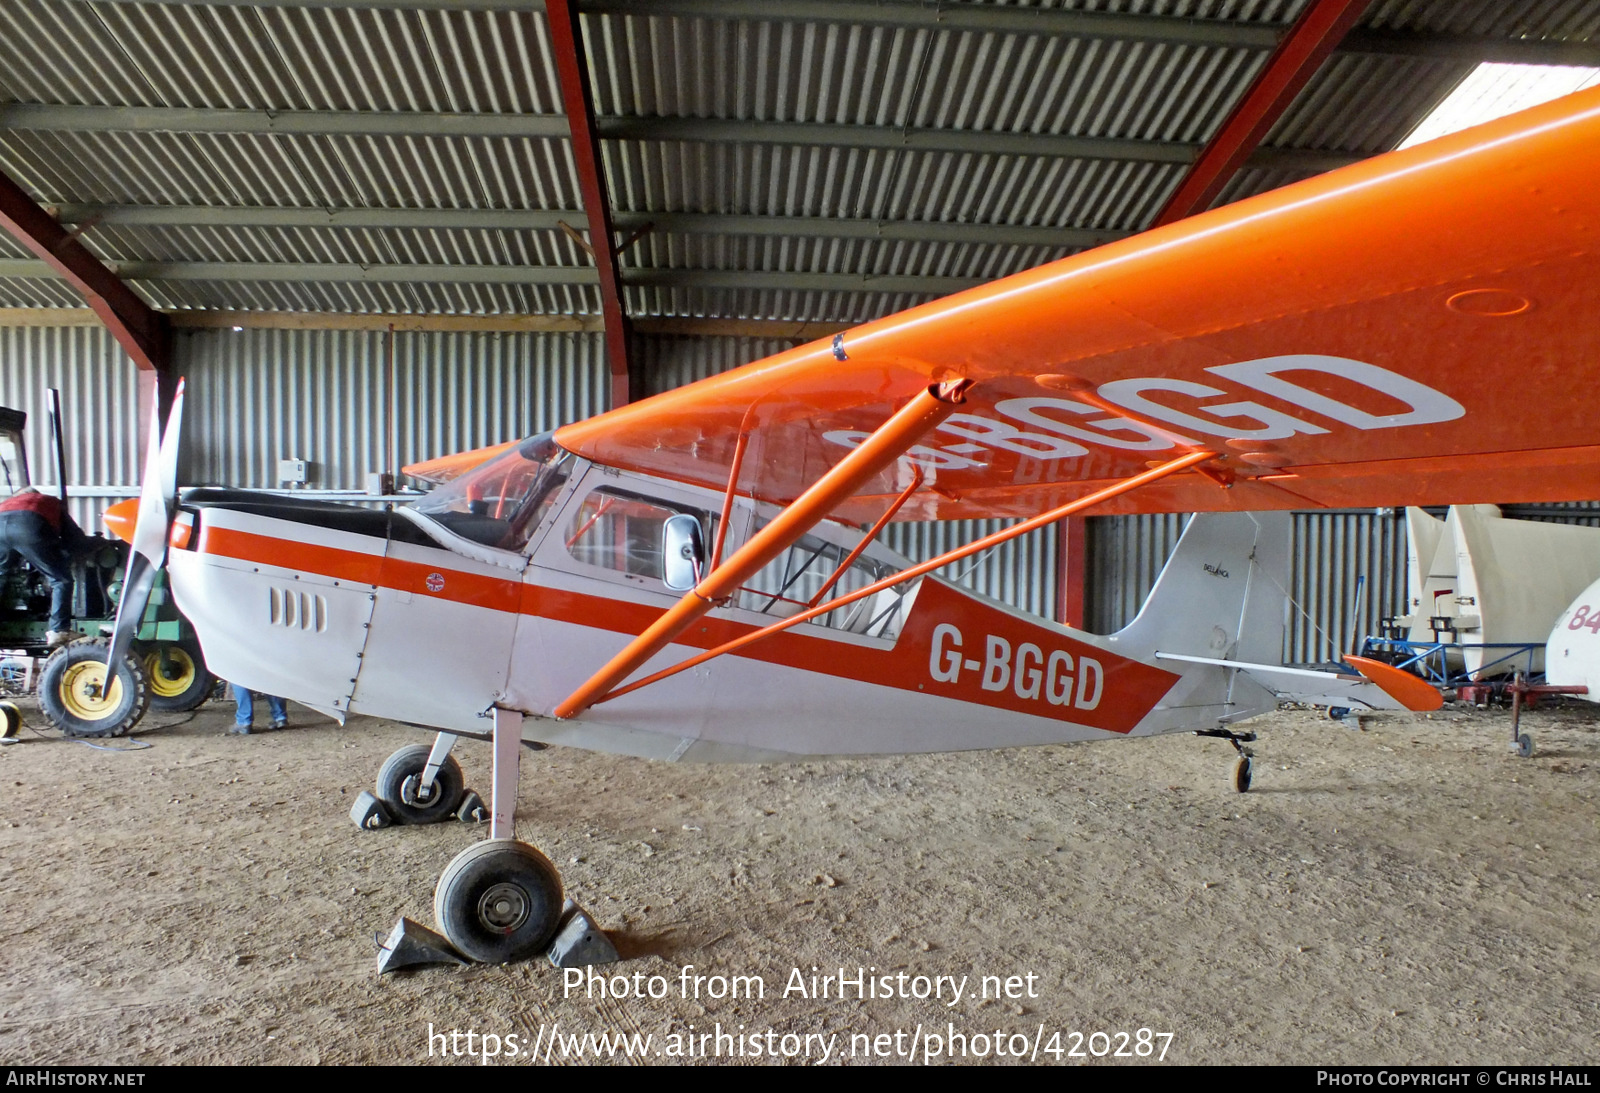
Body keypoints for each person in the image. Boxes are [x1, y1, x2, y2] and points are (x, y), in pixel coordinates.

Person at [0, 487, 89, 647]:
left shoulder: (7, 503)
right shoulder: (48, 502)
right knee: (60, 580)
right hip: (28, 525)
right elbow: (75, 538)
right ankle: (58, 630)